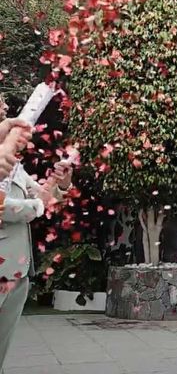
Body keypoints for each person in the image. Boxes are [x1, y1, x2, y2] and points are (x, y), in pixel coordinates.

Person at [0, 95, 72, 369]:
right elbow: (6, 206)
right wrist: (36, 206)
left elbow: (42, 195)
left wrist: (59, 182)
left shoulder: (11, 158)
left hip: (16, 270)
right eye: (0, 102)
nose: (6, 108)